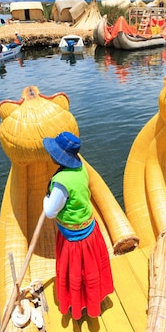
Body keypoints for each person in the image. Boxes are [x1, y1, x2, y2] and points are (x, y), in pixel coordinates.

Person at [42, 132, 114, 320]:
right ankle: (95, 298)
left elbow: (50, 212)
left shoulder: (61, 183)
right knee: (90, 269)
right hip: (90, 230)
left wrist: (46, 197)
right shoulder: (80, 168)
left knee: (76, 272)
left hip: (73, 239)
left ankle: (81, 306)